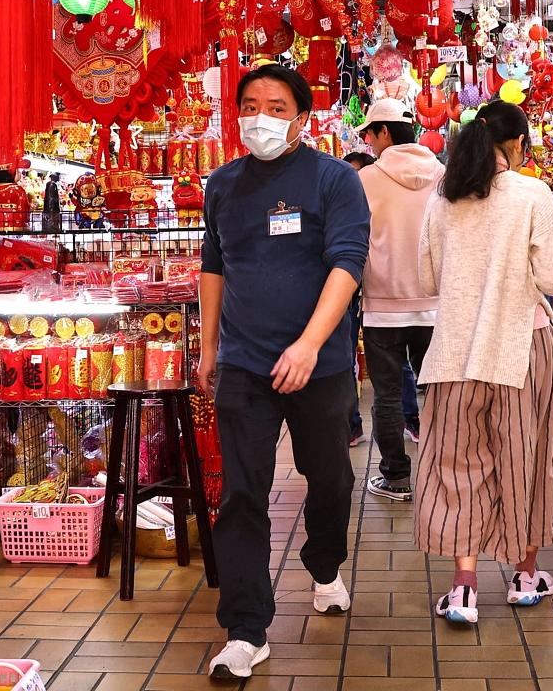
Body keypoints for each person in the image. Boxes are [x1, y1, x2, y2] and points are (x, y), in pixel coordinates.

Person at [198, 64, 370, 680]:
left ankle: (324, 563)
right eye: (250, 104)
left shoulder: (334, 181)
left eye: (276, 105)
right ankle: (246, 629)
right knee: (242, 492)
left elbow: (348, 266)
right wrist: (208, 345)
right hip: (244, 363)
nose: (261, 116)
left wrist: (308, 344)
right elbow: (213, 267)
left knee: (330, 482)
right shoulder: (222, 185)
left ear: (301, 115)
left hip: (318, 365)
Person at [414, 100, 553, 625]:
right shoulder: (532, 194)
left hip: (455, 354)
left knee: (460, 467)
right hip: (522, 350)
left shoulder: (444, 198)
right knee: (524, 460)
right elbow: (552, 279)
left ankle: (464, 588)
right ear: (517, 145)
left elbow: (427, 279)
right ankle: (525, 576)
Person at [356, 99, 444, 503]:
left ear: (384, 133)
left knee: (388, 397)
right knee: (440, 393)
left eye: (369, 134)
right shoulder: (443, 175)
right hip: (435, 305)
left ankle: (395, 477)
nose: (369, 144)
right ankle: (445, 472)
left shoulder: (366, 180)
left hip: (382, 308)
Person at [343, 151, 375, 446]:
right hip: (348, 291)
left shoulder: (379, 193)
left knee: (393, 368)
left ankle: (412, 420)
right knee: (346, 355)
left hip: (382, 294)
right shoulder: (340, 201)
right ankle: (352, 425)